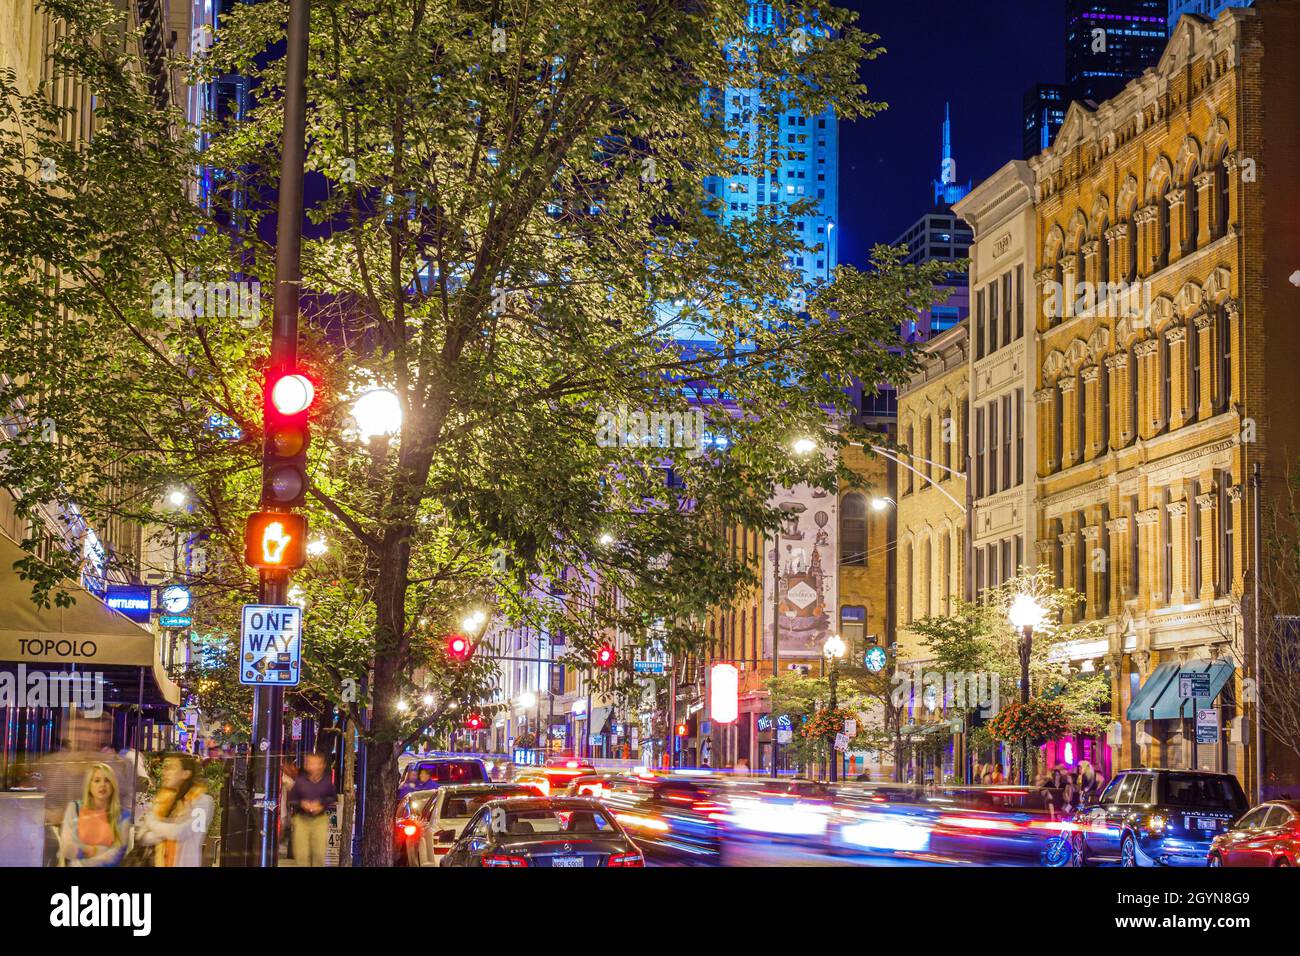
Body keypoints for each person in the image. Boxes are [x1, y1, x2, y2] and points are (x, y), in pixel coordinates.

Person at [136, 754, 214, 867]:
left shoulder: (203, 803)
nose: (165, 772)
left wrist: (151, 822)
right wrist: (167, 832)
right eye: (165, 768)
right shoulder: (163, 800)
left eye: (171, 768)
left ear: (185, 773)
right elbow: (143, 836)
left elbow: (181, 832)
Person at [59, 763, 131, 867]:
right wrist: (100, 850)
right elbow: (67, 848)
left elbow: (115, 855)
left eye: (107, 780)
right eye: (97, 780)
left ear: (113, 785)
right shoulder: (74, 808)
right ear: (89, 785)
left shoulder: (123, 815)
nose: (102, 785)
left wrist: (86, 854)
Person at [288, 751, 336, 867]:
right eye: (311, 763)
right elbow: (292, 799)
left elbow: (332, 797)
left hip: (320, 819)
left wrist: (321, 805)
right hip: (301, 819)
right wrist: (302, 803)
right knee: (302, 853)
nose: (314, 766)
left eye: (317, 763)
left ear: (323, 765)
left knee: (319, 852)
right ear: (306, 765)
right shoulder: (300, 781)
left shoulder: (327, 781)